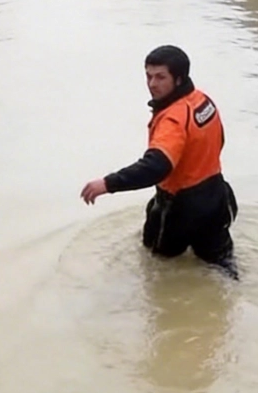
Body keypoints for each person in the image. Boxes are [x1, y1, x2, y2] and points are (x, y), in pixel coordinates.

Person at [80, 45, 239, 279]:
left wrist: (107, 183)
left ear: (179, 79)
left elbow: (156, 167)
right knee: (224, 269)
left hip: (181, 208)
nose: (152, 84)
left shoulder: (173, 119)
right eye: (148, 76)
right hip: (217, 198)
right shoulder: (204, 102)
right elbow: (220, 140)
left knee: (158, 270)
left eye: (160, 77)